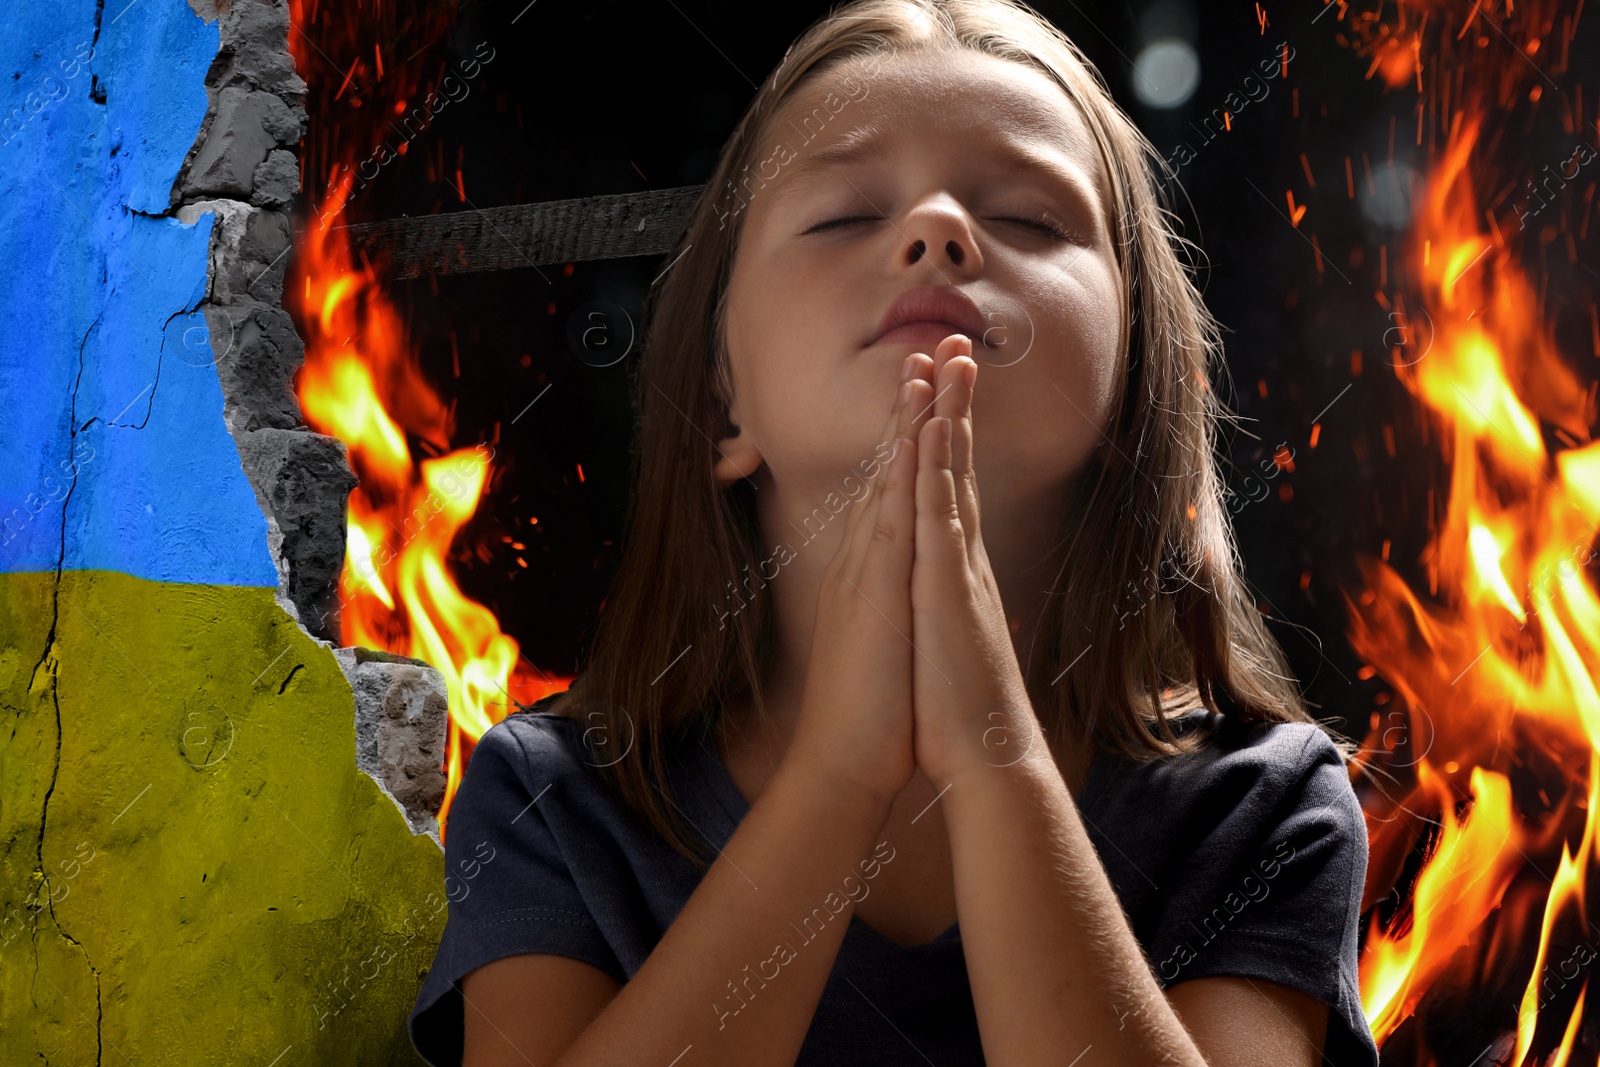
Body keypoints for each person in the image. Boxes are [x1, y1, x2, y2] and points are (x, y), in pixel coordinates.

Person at [408, 1, 1380, 1064]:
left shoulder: (1263, 805)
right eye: (838, 216)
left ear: (1131, 394)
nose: (936, 231)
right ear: (724, 403)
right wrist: (837, 776)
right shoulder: (552, 797)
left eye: (1027, 219)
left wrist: (994, 757)